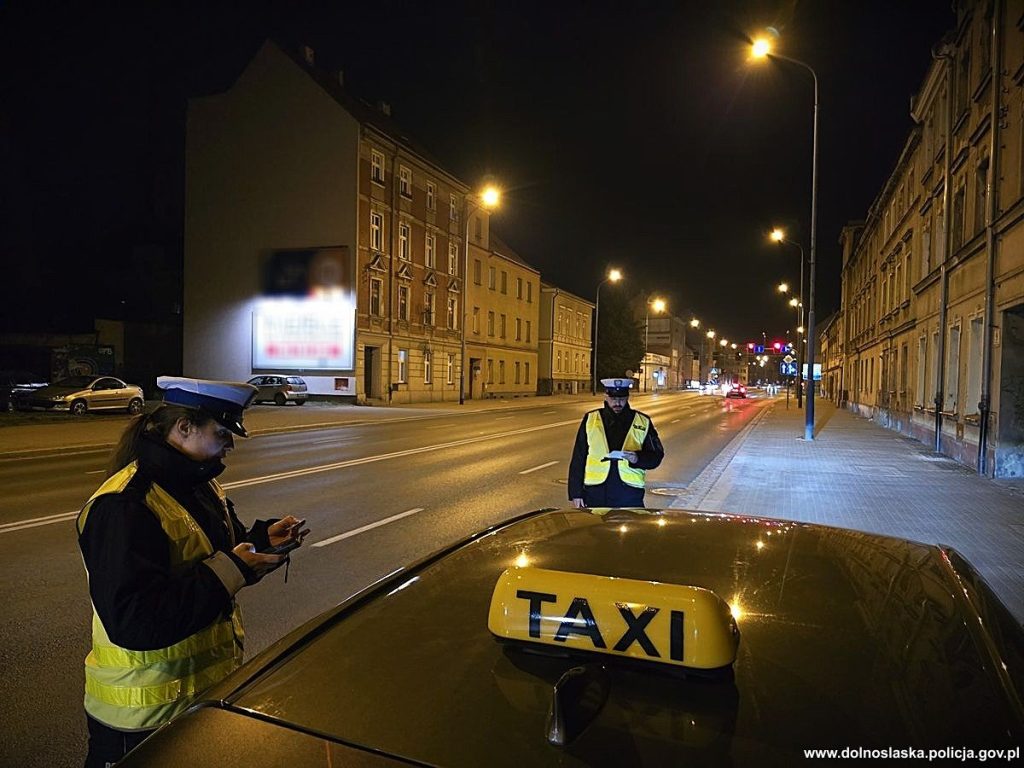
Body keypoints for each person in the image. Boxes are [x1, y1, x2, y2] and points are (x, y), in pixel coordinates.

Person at [77, 376, 310, 767]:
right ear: (184, 428)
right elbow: (134, 620)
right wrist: (233, 568)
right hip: (140, 719)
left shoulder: (199, 482)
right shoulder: (124, 505)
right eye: (222, 433)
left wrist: (260, 541)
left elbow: (214, 553)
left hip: (197, 701)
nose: (230, 444)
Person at [568, 377, 664, 508]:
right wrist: (576, 493)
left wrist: (637, 458)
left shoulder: (642, 421)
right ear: (605, 397)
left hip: (629, 493)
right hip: (596, 492)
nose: (617, 403)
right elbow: (578, 458)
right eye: (613, 399)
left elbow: (657, 456)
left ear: (628, 397)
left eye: (622, 399)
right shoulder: (591, 419)